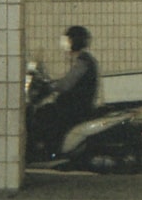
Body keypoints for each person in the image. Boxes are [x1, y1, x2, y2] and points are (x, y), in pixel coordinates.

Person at [28, 25, 100, 159]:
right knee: (47, 110)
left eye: (67, 40)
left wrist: (51, 86)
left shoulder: (83, 62)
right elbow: (68, 80)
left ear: (75, 41)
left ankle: (49, 150)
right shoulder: (82, 59)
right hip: (75, 104)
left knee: (44, 114)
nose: (65, 44)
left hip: (76, 106)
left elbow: (67, 84)